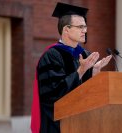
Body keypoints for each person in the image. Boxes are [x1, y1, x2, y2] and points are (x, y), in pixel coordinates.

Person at [31, 2, 112, 133]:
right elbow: (53, 94)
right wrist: (80, 71)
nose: (85, 31)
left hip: (82, 123)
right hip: (59, 126)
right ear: (66, 29)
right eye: (80, 26)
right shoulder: (51, 56)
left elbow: (89, 94)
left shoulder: (84, 54)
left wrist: (95, 73)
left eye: (85, 26)